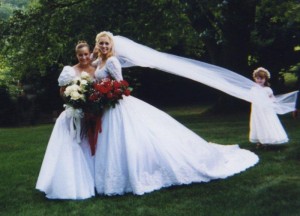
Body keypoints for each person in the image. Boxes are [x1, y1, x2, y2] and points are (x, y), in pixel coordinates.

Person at [93, 31, 259, 196]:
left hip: (117, 104)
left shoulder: (113, 61)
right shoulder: (99, 61)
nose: (104, 46)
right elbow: (89, 69)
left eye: (107, 43)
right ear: (97, 45)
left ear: (111, 45)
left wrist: (110, 93)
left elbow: (121, 85)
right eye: (101, 43)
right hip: (106, 106)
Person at [36, 41, 96, 199]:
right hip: (73, 112)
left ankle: (94, 179)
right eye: (80, 55)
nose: (83, 57)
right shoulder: (70, 71)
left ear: (90, 53)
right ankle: (69, 183)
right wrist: (72, 95)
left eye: (86, 54)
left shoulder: (96, 69)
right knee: (72, 147)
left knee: (90, 146)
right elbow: (62, 92)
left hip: (90, 114)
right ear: (76, 55)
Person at [249, 67, 288, 147]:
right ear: (255, 78)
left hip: (266, 110)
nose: (259, 80)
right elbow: (252, 98)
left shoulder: (267, 89)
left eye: (262, 79)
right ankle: (259, 140)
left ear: (265, 79)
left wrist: (271, 102)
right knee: (258, 123)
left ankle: (267, 140)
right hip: (257, 110)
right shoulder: (253, 89)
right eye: (258, 78)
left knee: (266, 123)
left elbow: (272, 98)